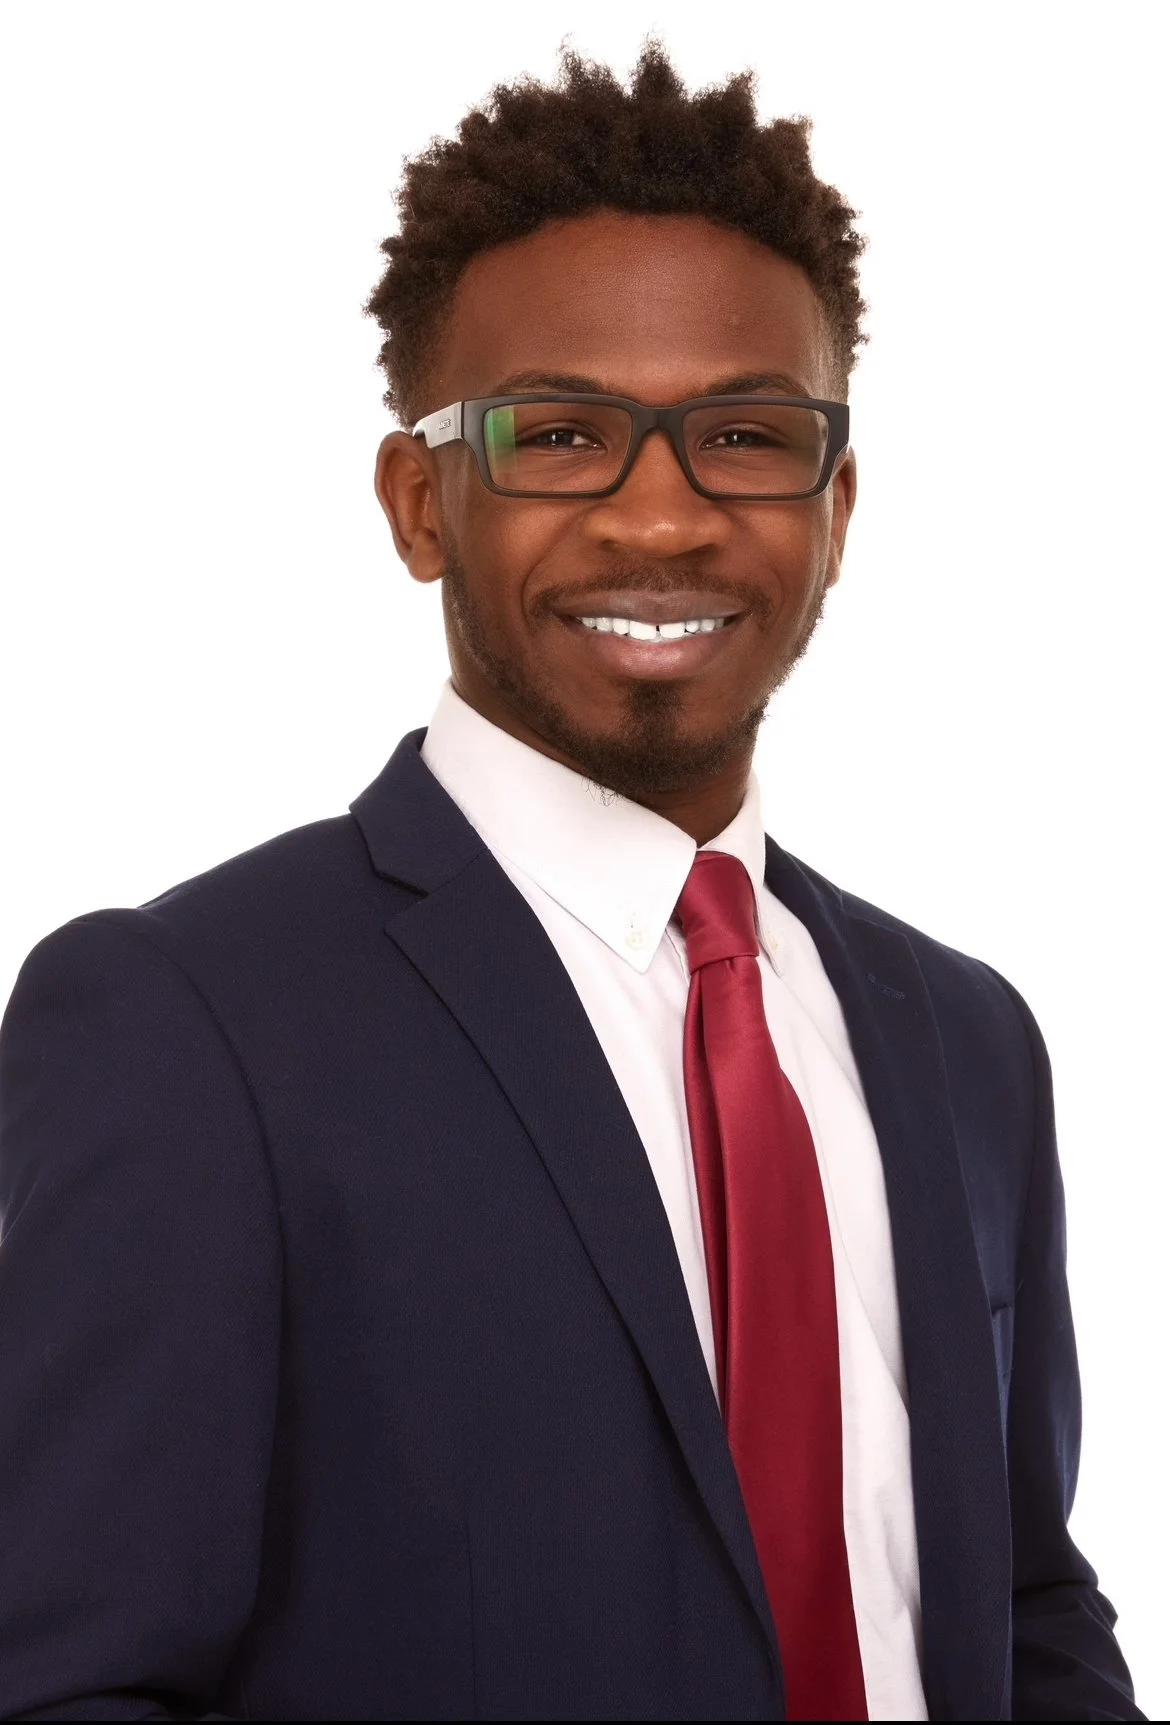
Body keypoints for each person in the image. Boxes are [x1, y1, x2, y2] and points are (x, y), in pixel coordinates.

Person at [0, 40, 1144, 1724]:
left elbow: (1017, 1591)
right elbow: (67, 1684)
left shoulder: (966, 1037)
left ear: (835, 506)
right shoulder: (186, 1025)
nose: (662, 520)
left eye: (743, 436)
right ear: (419, 502)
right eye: (561, 435)